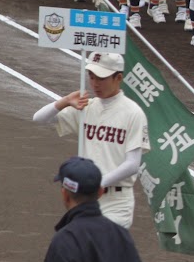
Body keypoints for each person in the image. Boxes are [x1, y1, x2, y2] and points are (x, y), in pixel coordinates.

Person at [33, 53, 151, 229]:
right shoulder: (87, 107)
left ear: (118, 77)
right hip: (84, 200)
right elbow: (39, 118)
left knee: (101, 250)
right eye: (92, 76)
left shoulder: (133, 113)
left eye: (101, 78)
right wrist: (64, 101)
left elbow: (132, 164)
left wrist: (98, 183)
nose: (95, 83)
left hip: (116, 203)